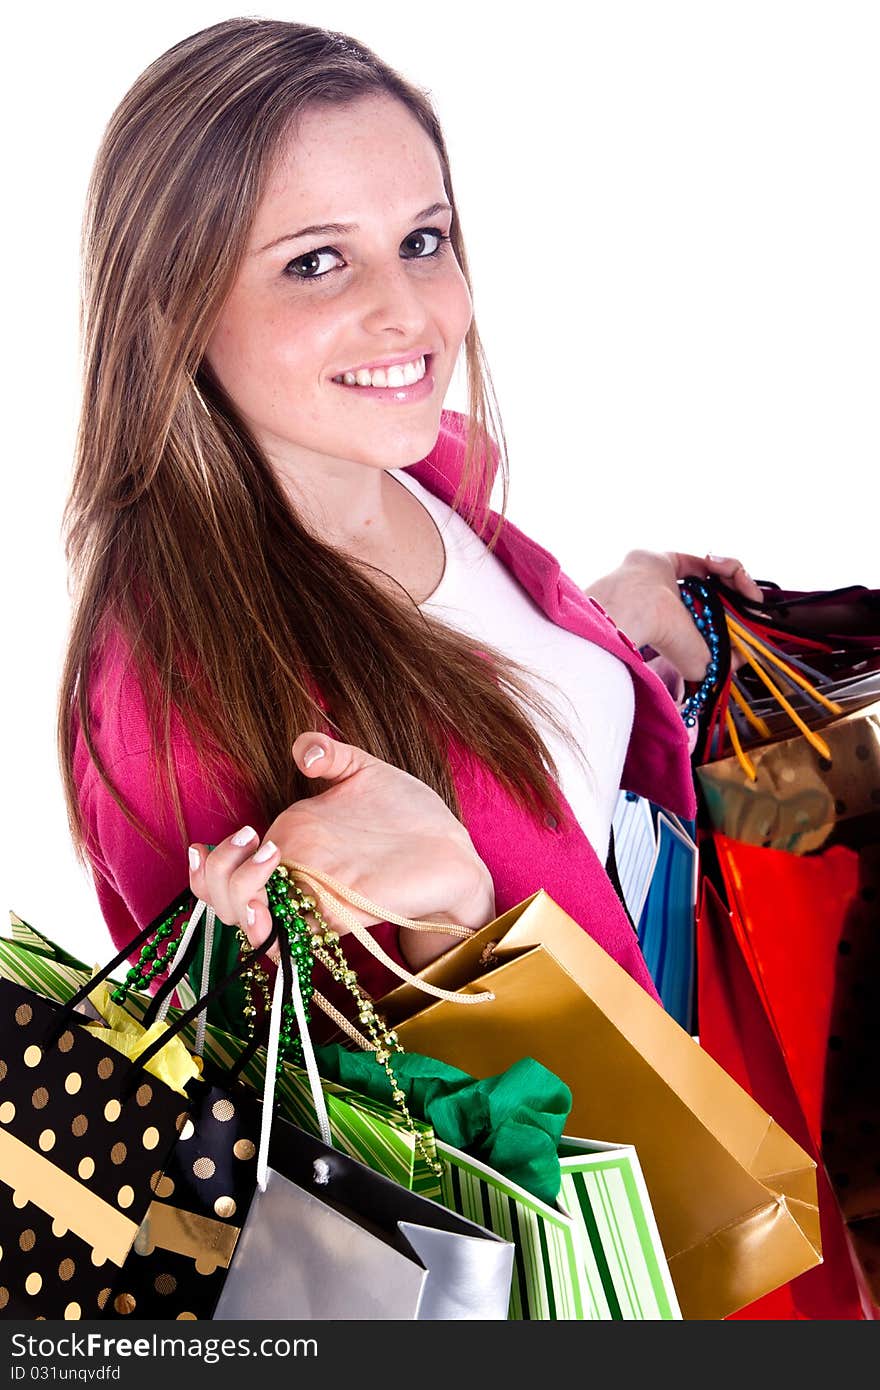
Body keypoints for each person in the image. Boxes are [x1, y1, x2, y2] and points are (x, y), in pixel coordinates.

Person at [59, 17, 760, 1025]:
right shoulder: (173, 712)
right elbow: (348, 1153)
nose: (409, 312)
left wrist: (611, 630)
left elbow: (512, 756)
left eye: (421, 241)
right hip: (655, 1180)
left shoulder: (424, 458)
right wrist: (463, 919)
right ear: (170, 308)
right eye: (315, 262)